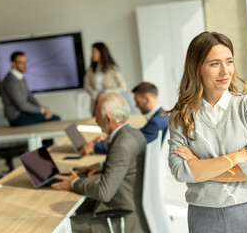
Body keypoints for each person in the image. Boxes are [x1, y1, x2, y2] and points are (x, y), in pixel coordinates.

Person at [167, 32, 247, 232]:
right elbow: (181, 172)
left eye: (229, 61)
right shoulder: (181, 117)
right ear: (196, 68)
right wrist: (238, 156)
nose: (225, 71)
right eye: (215, 64)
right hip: (203, 217)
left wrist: (200, 169)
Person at [51, 93, 149, 233]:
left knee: (59, 226)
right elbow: (129, 165)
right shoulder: (134, 134)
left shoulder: (121, 144)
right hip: (127, 207)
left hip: (118, 217)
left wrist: (74, 183)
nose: (96, 121)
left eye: (97, 116)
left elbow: (104, 193)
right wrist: (102, 166)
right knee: (72, 208)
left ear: (108, 118)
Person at [81, 82, 169, 155]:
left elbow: (129, 146)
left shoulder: (155, 122)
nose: (135, 105)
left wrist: (95, 147)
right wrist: (112, 136)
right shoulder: (162, 116)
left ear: (147, 99)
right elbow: (139, 134)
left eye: (137, 101)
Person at [0, 51, 60, 126]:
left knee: (50, 117)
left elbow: (29, 97)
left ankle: (76, 137)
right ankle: (76, 137)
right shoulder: (10, 81)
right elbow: (22, 105)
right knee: (56, 118)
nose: (25, 65)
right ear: (13, 64)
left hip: (25, 114)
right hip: (17, 117)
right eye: (21, 63)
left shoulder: (20, 76)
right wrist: (42, 110)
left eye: (26, 62)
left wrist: (42, 109)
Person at [84, 42, 127, 115]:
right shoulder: (91, 69)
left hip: (110, 103)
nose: (91, 55)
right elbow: (86, 86)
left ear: (101, 53)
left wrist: (107, 92)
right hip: (96, 103)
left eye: (94, 52)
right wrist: (95, 93)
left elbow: (123, 86)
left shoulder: (112, 68)